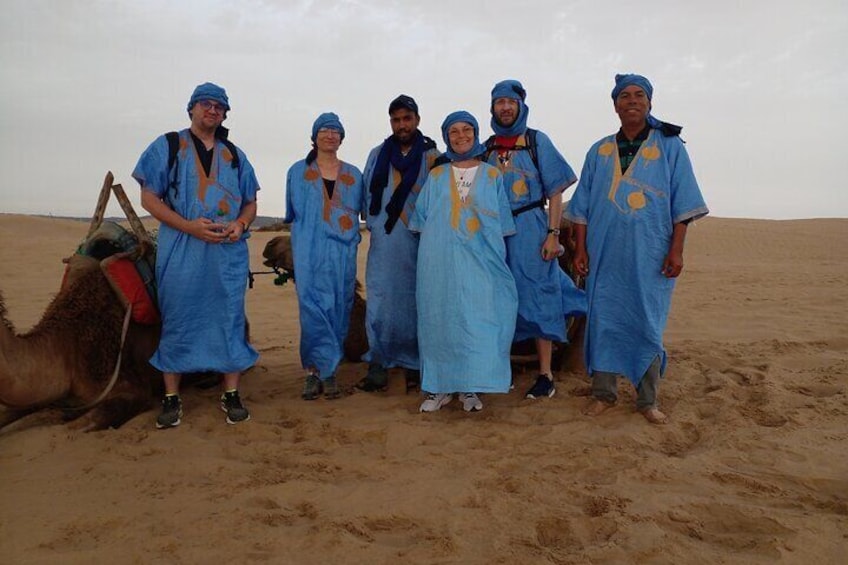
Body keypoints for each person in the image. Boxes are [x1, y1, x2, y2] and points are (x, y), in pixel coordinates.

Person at [564, 73, 709, 424]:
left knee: (647, 320)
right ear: (615, 105)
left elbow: (683, 205)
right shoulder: (599, 150)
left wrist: (676, 251)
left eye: (638, 95)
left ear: (649, 103)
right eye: (624, 96)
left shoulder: (670, 147)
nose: (632, 101)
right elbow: (581, 208)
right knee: (604, 319)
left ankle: (647, 400)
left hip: (650, 252)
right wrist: (581, 250)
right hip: (604, 253)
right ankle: (604, 393)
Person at [133, 81, 259, 428]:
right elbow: (149, 197)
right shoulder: (168, 146)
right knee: (178, 316)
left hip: (227, 251)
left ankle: (231, 394)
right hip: (182, 248)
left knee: (230, 318)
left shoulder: (235, 154)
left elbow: (250, 201)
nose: (212, 110)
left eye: (219, 106)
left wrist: (241, 222)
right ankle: (171, 397)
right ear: (191, 109)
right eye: (205, 104)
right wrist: (189, 226)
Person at [409, 111, 518, 413]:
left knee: (477, 320)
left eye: (466, 130)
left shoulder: (492, 174)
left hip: (482, 262)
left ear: (476, 133)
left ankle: (471, 387)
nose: (461, 136)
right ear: (446, 137)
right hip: (439, 261)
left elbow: (503, 225)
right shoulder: (436, 175)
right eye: (454, 131)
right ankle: (438, 387)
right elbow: (421, 221)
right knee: (439, 321)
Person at [484, 79, 582, 400]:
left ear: (521, 106)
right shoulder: (486, 148)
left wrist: (553, 235)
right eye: (500, 102)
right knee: (500, 298)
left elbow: (555, 190)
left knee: (540, 295)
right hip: (497, 234)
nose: (506, 107)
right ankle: (503, 370)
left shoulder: (537, 142)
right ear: (493, 107)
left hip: (531, 227)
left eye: (511, 102)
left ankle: (545, 374)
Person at [356, 95, 441, 394]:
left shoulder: (433, 156)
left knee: (420, 303)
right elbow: (366, 198)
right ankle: (382, 365)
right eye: (396, 119)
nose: (402, 125)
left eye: (407, 118)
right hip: (386, 246)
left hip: (422, 245)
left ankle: (419, 367)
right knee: (383, 305)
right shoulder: (377, 155)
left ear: (417, 119)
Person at [285, 112, 364, 400]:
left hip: (342, 252)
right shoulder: (296, 172)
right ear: (314, 136)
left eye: (335, 131)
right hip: (309, 250)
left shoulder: (354, 175)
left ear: (342, 138)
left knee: (340, 308)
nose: (330, 136)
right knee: (312, 310)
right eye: (325, 131)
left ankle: (330, 370)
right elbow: (293, 214)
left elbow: (362, 212)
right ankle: (313, 372)